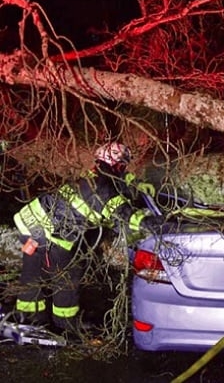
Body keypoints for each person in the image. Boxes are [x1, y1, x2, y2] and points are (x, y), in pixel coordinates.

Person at [12, 142, 163, 334]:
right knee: (68, 275)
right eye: (122, 165)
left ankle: (30, 319)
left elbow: (119, 181)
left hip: (30, 222)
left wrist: (137, 184)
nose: (123, 169)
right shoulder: (101, 188)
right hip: (47, 234)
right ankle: (64, 323)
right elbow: (123, 214)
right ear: (116, 164)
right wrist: (152, 223)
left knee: (33, 274)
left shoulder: (95, 175)